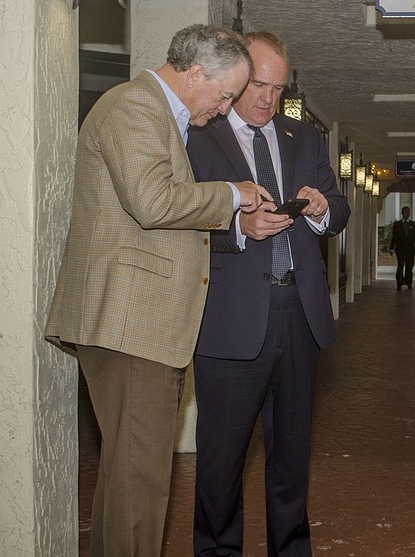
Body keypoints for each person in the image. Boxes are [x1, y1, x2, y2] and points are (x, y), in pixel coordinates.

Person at [45, 25, 272, 557]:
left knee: (130, 479)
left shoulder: (160, 116)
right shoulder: (135, 106)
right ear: (195, 73)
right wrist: (229, 196)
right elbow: (151, 201)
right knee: (139, 481)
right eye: (222, 95)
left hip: (142, 327)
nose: (222, 109)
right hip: (131, 325)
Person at [185, 31, 350, 557]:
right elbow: (175, 217)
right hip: (230, 323)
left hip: (298, 317)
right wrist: (238, 228)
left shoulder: (303, 139)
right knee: (220, 461)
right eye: (259, 84)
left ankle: (291, 549)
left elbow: (341, 208)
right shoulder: (197, 137)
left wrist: (323, 209)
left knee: (291, 459)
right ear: (235, 77)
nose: (267, 99)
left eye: (278, 89)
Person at [389, 206, 415, 290]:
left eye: (409, 212)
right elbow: (394, 237)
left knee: (409, 266)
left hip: (410, 249)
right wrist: (391, 248)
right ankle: (399, 283)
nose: (407, 214)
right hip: (400, 248)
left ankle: (408, 282)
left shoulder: (413, 224)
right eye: (406, 212)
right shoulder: (397, 224)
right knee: (400, 265)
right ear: (402, 213)